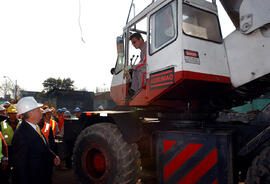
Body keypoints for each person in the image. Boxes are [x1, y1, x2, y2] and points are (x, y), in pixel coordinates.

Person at [12, 96, 60, 184]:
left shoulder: (35, 127)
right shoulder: (21, 134)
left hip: (42, 176)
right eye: (38, 110)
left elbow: (42, 146)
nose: (42, 112)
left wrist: (53, 156)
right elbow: (20, 166)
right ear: (30, 113)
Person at [129, 32, 147, 97]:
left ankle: (139, 92)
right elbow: (141, 62)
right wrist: (133, 68)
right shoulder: (142, 50)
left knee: (140, 71)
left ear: (140, 40)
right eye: (132, 43)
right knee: (135, 71)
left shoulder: (146, 48)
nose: (133, 44)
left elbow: (145, 63)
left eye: (134, 42)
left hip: (149, 70)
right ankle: (133, 90)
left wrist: (131, 67)